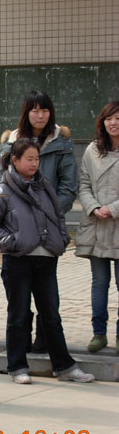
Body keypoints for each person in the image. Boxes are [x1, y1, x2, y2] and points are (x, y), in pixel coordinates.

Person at [0, 138, 94, 384]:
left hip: (46, 260)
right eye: (29, 159)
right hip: (18, 261)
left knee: (51, 315)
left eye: (37, 159)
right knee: (19, 315)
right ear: (15, 160)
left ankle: (64, 367)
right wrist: (14, 243)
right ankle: (17, 366)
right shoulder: (3, 190)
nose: (34, 164)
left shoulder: (45, 186)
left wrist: (61, 239)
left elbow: (58, 216)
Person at [0, 90, 78, 353]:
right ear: (27, 112)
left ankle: (46, 342)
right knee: (18, 297)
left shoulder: (60, 141)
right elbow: (3, 184)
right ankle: (20, 349)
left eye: (44, 110)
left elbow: (68, 186)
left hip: (49, 229)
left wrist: (49, 213)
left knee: (48, 295)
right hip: (20, 230)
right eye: (34, 110)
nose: (40, 115)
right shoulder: (12, 141)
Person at [74, 101, 119, 353]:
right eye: (109, 118)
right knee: (99, 284)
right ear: (102, 122)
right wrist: (93, 207)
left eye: (118, 118)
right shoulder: (93, 150)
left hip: (116, 222)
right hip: (97, 225)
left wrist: (112, 209)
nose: (113, 123)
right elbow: (83, 184)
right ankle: (98, 333)